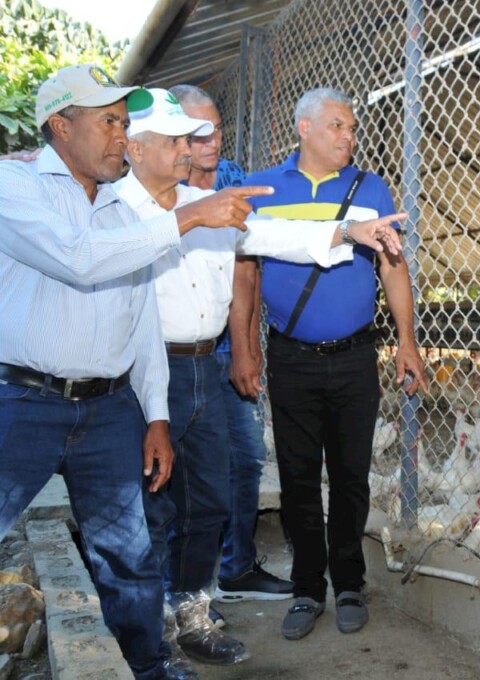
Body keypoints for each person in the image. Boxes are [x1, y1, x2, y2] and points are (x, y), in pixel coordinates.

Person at [114, 86, 406, 667]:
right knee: (144, 505)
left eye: (198, 136)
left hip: (209, 363)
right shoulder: (114, 207)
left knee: (210, 500)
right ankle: (146, 629)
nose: (194, 148)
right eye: (179, 139)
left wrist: (348, 232)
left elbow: (270, 238)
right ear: (136, 148)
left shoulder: (216, 202)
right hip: (144, 368)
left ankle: (193, 614)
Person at [0, 64, 271, 680]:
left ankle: (147, 666)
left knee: (127, 554)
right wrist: (188, 218)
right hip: (25, 401)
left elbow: (140, 324)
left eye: (124, 123)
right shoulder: (15, 186)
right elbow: (78, 259)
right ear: (61, 126)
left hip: (107, 410)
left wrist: (155, 416)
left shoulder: (121, 212)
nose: (121, 136)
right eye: (108, 122)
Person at [242, 87, 428, 642]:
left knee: (350, 476)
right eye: (337, 126)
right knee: (298, 477)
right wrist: (246, 346)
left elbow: (393, 267)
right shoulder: (264, 188)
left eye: (352, 128)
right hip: (290, 356)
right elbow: (246, 271)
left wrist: (407, 341)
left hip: (354, 356)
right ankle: (306, 588)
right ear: (304, 128)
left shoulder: (371, 189)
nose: (349, 136)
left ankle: (348, 583)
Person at [168, 83, 292, 605]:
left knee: (246, 459)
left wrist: (246, 347)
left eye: (217, 129)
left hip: (224, 347)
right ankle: (178, 589)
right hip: (174, 355)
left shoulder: (233, 177)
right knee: (181, 473)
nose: (213, 141)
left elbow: (246, 267)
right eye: (200, 133)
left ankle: (236, 567)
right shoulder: (157, 183)